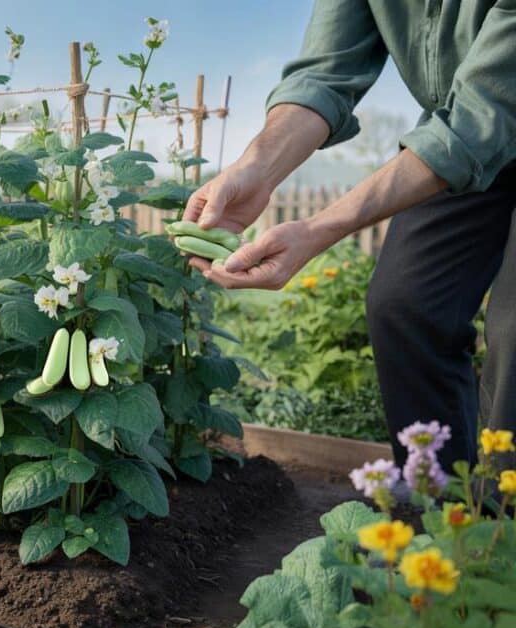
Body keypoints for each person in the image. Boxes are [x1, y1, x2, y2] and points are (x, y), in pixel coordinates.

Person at [184, 0, 516, 469]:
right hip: (458, 137)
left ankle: (505, 523)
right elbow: (323, 74)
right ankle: (438, 512)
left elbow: (483, 113)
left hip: (478, 122)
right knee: (404, 304)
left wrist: (319, 229)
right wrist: (255, 169)